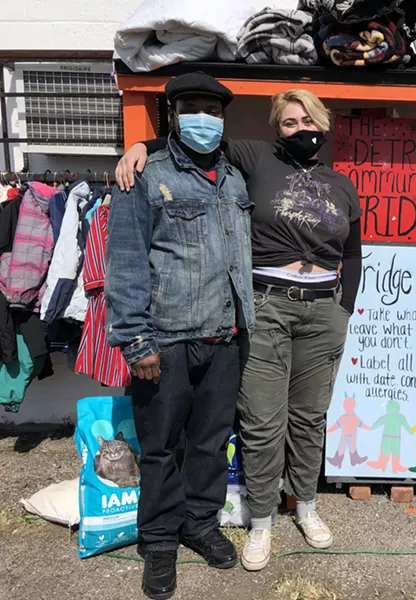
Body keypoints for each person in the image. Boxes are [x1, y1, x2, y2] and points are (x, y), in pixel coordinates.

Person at [115, 88, 362, 572]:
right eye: (289, 122)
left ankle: (306, 506)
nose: (300, 130)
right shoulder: (254, 156)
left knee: (309, 418)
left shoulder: (342, 184)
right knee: (262, 422)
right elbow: (190, 145)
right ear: (276, 129)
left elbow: (352, 251)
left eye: (308, 120)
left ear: (325, 125)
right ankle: (262, 520)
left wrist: (346, 306)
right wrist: (141, 145)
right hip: (266, 308)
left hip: (321, 312)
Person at [106, 72, 255, 599]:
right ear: (171, 113)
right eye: (191, 107)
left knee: (211, 444)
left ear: (223, 119)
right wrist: (135, 341)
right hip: (166, 341)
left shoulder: (236, 178)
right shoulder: (143, 175)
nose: (203, 119)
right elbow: (123, 260)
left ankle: (200, 523)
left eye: (213, 111)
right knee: (161, 448)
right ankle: (160, 540)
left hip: (224, 337)